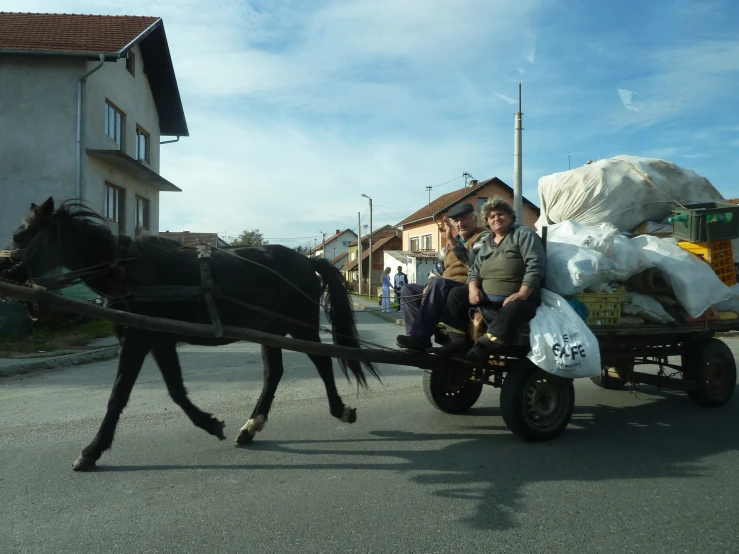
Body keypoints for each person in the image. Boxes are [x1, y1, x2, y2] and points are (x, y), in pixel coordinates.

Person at [432, 197, 546, 361]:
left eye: (501, 214)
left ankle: (483, 347)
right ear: (487, 222)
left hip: (519, 298)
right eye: (492, 217)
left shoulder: (523, 234)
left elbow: (535, 265)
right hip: (487, 297)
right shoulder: (487, 242)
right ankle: (455, 342)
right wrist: (473, 288)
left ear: (510, 216)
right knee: (457, 294)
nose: (496, 218)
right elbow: (474, 271)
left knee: (513, 308)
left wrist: (522, 293)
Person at [396, 203, 490, 351]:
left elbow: (473, 263)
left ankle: (419, 337)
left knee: (439, 284)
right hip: (442, 287)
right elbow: (437, 270)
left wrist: (452, 241)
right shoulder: (446, 247)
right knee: (408, 289)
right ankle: (416, 340)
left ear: (475, 219)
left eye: (464, 218)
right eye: (456, 221)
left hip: (466, 290)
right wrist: (428, 284)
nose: (460, 224)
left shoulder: (484, 237)